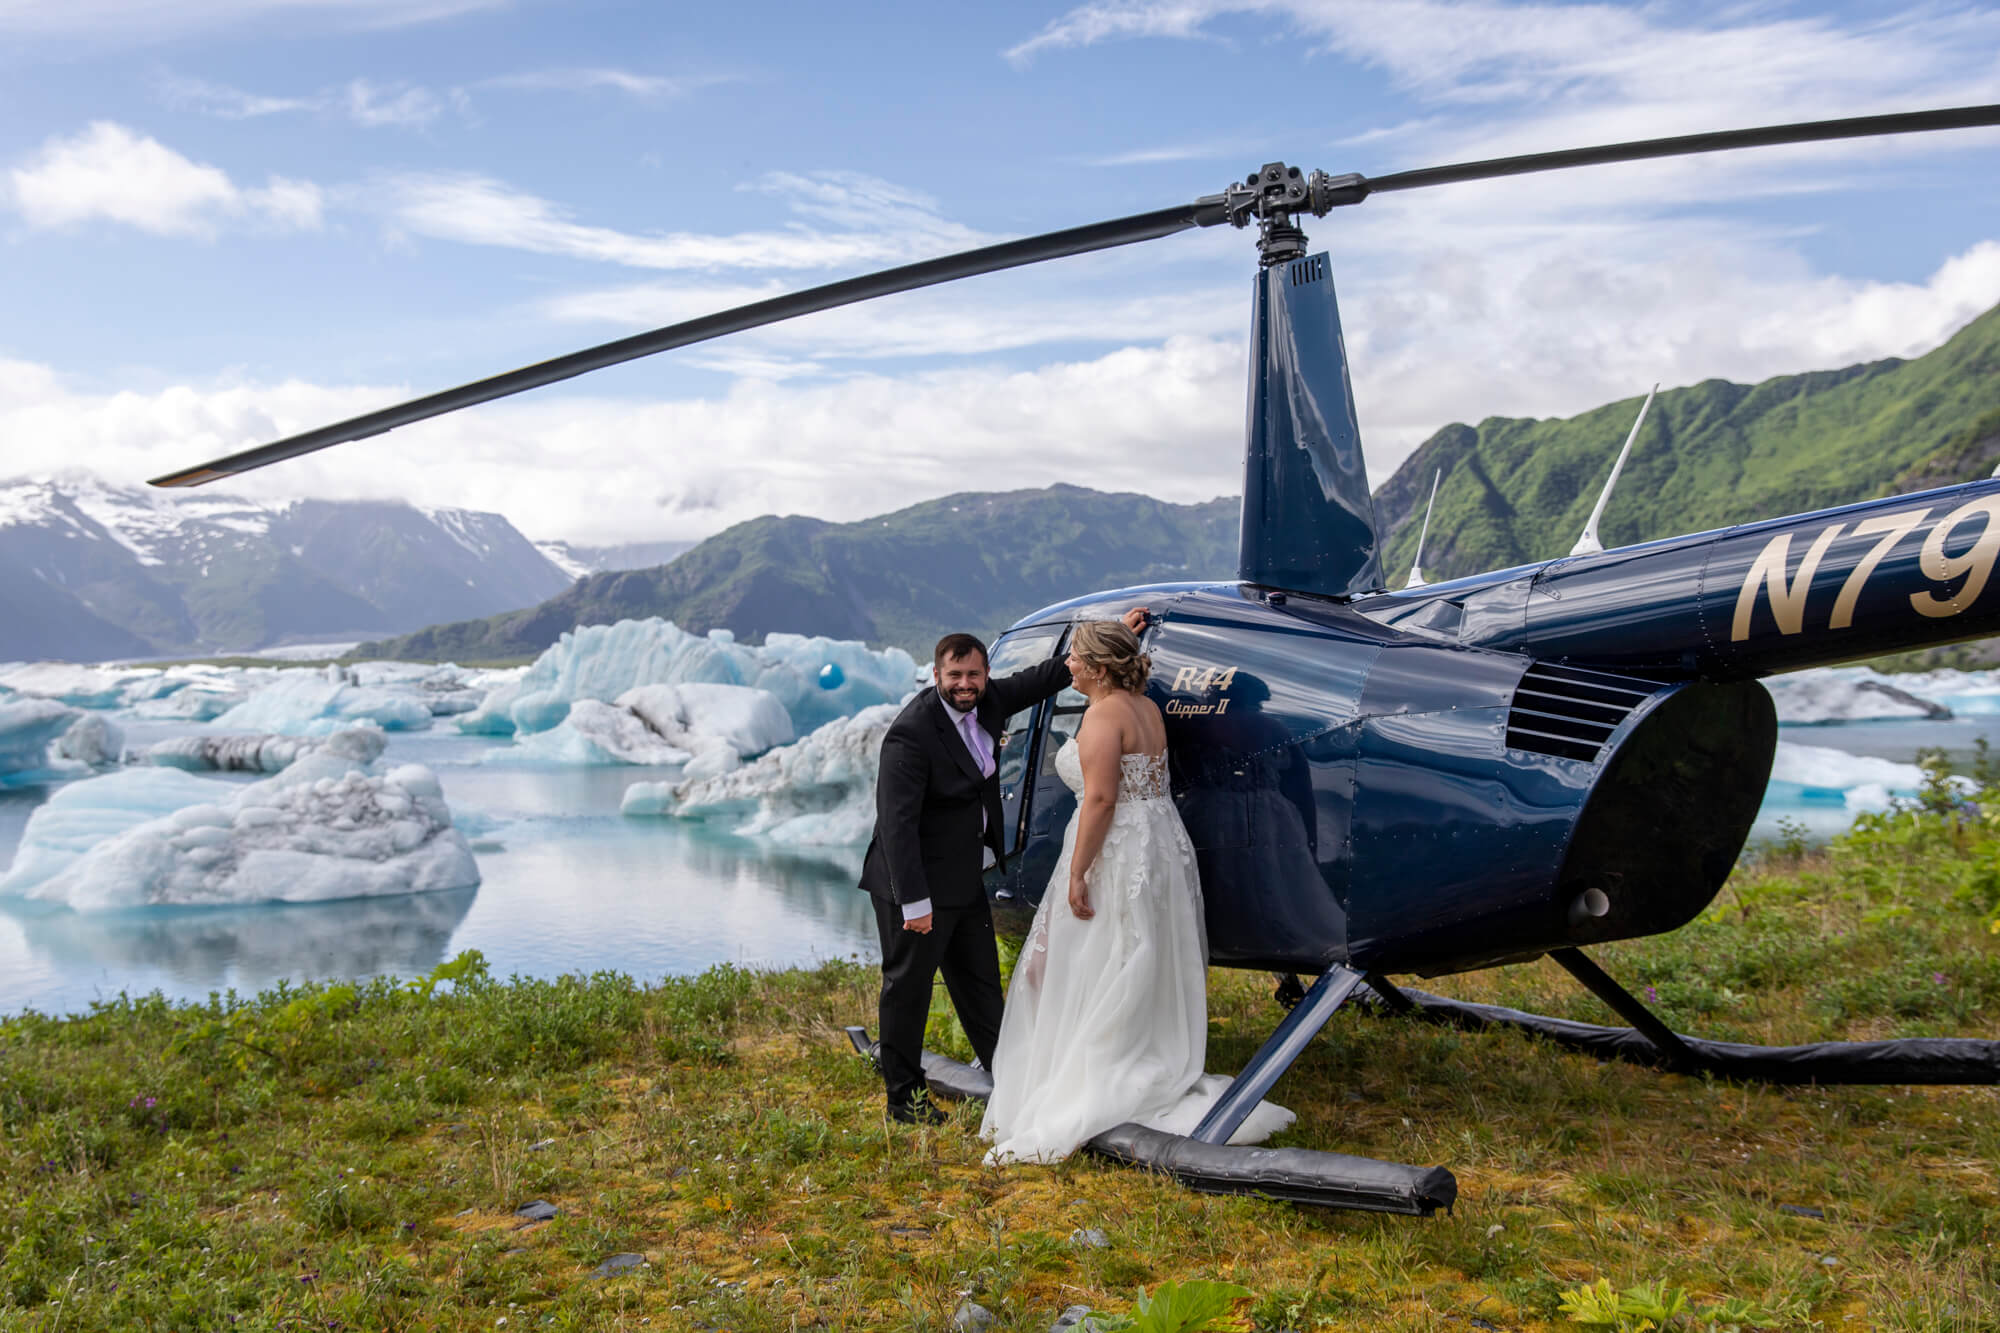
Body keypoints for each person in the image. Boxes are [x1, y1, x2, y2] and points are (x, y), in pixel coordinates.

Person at [980, 618, 1294, 1163]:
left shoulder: (1103, 716)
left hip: (1116, 845)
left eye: (1076, 658)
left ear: (1099, 668)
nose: (1068, 665)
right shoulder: (1146, 709)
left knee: (1093, 957)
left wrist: (1078, 872)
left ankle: (1096, 1073)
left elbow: (1101, 800)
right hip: (1159, 839)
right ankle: (1139, 1053)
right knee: (1136, 950)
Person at [861, 607, 1148, 1124]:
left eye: (974, 674)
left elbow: (1041, 678)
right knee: (908, 987)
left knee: (980, 983)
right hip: (915, 883)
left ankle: (1012, 1083)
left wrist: (1113, 638)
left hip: (963, 876)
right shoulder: (911, 734)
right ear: (936, 676)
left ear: (984, 675)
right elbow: (896, 826)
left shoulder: (988, 701)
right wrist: (916, 903)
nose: (966, 685)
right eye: (955, 676)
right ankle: (904, 1098)